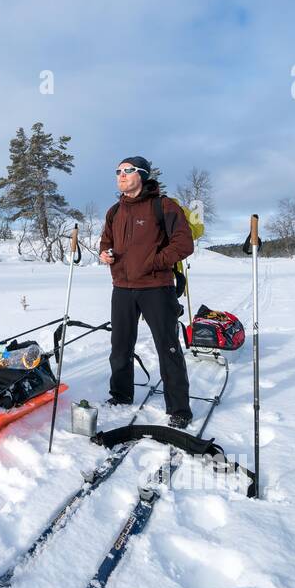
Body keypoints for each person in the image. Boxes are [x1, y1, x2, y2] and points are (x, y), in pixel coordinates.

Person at [97, 156, 195, 422]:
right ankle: (120, 395)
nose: (121, 175)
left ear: (142, 174)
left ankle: (179, 409)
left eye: (127, 170)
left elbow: (184, 244)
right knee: (120, 346)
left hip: (156, 287)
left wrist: (154, 262)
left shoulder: (163, 206)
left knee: (168, 347)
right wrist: (104, 254)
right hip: (122, 288)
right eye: (117, 171)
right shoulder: (114, 211)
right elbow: (106, 241)